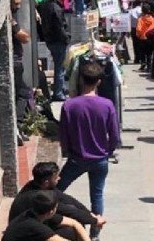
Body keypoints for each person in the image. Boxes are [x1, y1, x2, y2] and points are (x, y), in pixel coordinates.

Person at [57, 62, 120, 238]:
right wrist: (109, 150)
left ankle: (49, 216)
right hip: (100, 159)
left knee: (57, 189)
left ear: (81, 79)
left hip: (76, 158)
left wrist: (67, 151)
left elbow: (63, 134)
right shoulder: (107, 105)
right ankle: (94, 234)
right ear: (99, 81)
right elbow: (114, 134)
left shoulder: (69, 105)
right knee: (97, 196)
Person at [9, 162, 104, 235]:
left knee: (77, 222)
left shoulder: (40, 186)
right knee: (71, 231)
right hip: (25, 232)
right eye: (56, 177)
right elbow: (65, 209)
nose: (59, 178)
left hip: (37, 221)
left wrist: (91, 215)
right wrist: (94, 221)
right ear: (46, 182)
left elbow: (68, 200)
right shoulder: (39, 196)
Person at [3, 191, 92, 241]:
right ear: (51, 211)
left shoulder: (37, 213)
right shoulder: (33, 225)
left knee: (70, 231)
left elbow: (74, 223)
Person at [37, 0, 70, 102]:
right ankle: (58, 92)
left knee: (59, 65)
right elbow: (60, 27)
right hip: (57, 40)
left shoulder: (45, 5)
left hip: (49, 39)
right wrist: (66, 38)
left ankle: (60, 87)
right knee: (59, 67)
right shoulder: (56, 8)